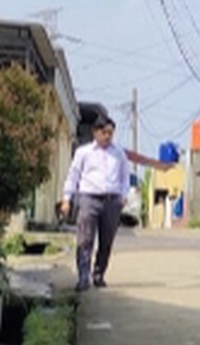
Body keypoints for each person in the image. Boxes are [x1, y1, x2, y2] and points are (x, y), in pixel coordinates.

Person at [61, 117, 169, 291]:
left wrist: (123, 195)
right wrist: (67, 198)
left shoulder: (118, 153)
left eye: (110, 133)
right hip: (89, 198)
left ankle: (99, 274)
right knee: (85, 239)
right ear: (95, 132)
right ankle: (83, 276)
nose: (107, 136)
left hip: (112, 201)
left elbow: (124, 176)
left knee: (107, 240)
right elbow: (73, 176)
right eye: (104, 132)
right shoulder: (84, 152)